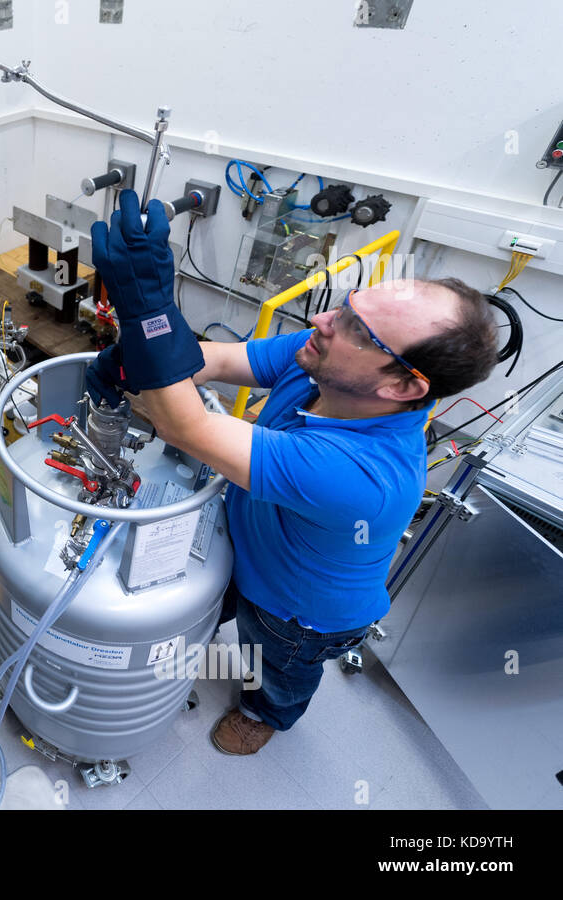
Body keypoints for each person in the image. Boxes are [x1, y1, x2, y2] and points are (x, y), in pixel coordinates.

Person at [85, 190, 499, 755]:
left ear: (402, 385)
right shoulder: (324, 361)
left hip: (298, 614)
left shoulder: (364, 475)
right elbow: (219, 360)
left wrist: (146, 313)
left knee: (276, 667)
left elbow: (188, 428)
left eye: (357, 328)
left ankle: (266, 714)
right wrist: (141, 342)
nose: (324, 320)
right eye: (348, 305)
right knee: (212, 608)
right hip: (253, 542)